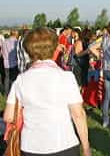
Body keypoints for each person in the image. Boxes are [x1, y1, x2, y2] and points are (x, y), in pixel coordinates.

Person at [3, 27, 91, 156]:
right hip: (64, 142)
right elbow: (78, 115)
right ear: (55, 48)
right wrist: (86, 147)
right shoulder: (66, 77)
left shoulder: (20, 80)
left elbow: (8, 116)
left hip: (31, 145)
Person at [1, 30, 19, 95]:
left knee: (6, 78)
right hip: (14, 63)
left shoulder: (4, 41)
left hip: (5, 63)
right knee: (13, 79)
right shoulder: (16, 42)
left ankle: (6, 93)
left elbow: (2, 53)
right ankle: (12, 93)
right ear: (15, 34)